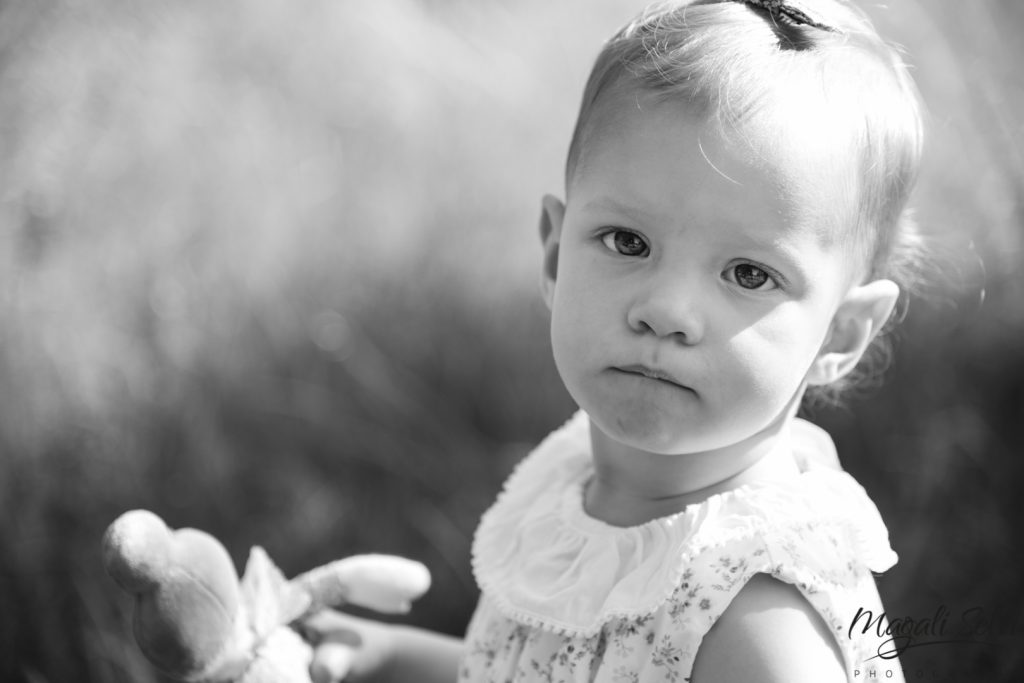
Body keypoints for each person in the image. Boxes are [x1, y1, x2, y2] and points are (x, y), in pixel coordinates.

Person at [303, 0, 927, 680]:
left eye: (749, 273)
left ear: (841, 331)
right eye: (628, 242)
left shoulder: (761, 623)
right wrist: (389, 657)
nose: (666, 310)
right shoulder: (578, 475)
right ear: (553, 256)